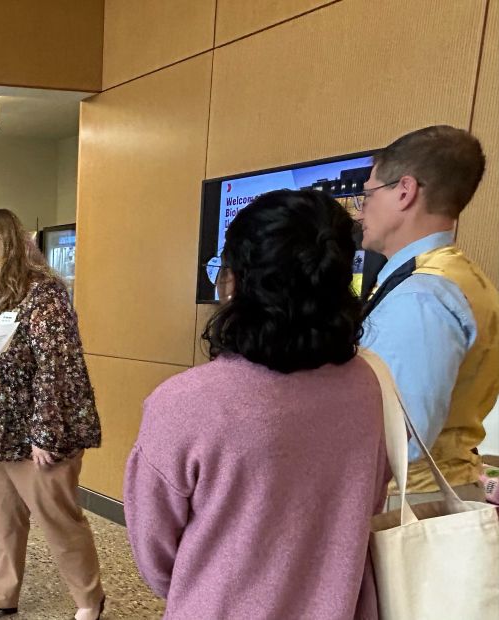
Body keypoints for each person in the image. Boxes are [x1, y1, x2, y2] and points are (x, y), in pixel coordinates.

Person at [125, 190, 389, 619]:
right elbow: (370, 500)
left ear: (233, 280)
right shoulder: (367, 384)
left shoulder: (183, 403)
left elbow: (156, 555)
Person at [0, 209, 104, 620]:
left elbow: (58, 366)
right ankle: (3, 594)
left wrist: (47, 434)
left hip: (38, 432)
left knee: (58, 520)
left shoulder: (43, 294)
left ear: (1, 243)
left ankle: (89, 600)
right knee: (1, 521)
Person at [358, 125, 499, 507]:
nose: (361, 208)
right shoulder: (457, 277)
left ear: (404, 191)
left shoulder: (421, 297)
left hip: (409, 501)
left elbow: (398, 438)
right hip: (432, 492)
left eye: (368, 194)